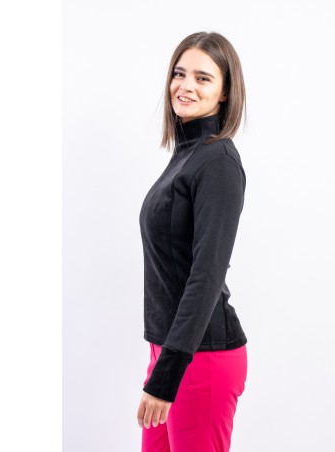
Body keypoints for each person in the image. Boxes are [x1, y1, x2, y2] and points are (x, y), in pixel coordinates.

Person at [137, 31, 249, 452]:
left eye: (203, 78)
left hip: (201, 359)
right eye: (179, 74)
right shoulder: (187, 155)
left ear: (225, 93)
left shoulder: (218, 162)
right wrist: (162, 362)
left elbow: (206, 276)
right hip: (170, 350)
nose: (186, 86)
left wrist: (167, 375)